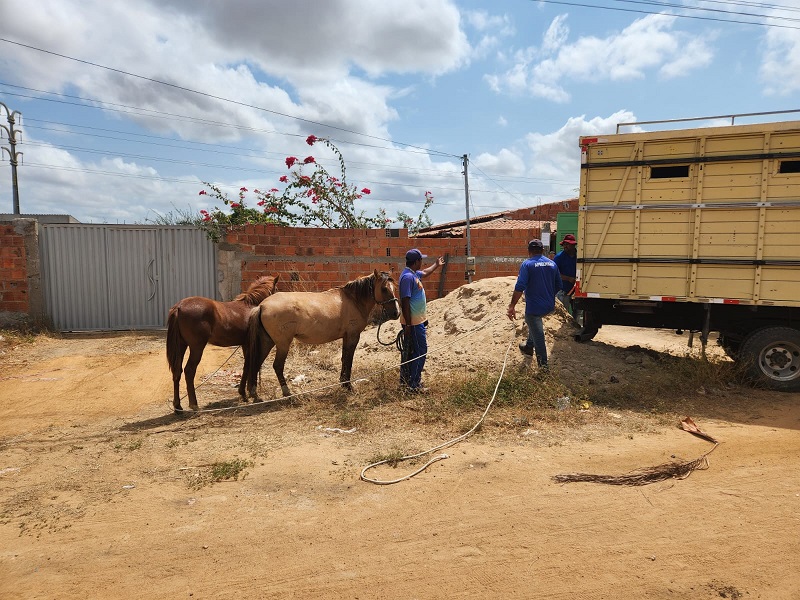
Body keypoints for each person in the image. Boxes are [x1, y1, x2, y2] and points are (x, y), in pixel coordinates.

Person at [506, 239, 562, 369]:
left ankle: (543, 368)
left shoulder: (527, 264)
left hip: (534, 308)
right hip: (549, 306)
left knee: (538, 334)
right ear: (542, 250)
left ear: (529, 252)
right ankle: (528, 346)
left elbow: (520, 286)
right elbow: (559, 285)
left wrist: (512, 306)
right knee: (534, 324)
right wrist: (547, 295)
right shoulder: (552, 264)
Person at [399, 248, 445, 392]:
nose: (422, 263)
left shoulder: (413, 274)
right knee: (420, 351)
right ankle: (413, 385)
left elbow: (425, 272)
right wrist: (407, 323)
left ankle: (407, 381)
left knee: (413, 352)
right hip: (413, 323)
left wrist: (436, 264)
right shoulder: (407, 277)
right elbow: (405, 301)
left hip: (416, 321)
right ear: (416, 261)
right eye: (421, 260)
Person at [553, 233, 578, 315]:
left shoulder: (579, 256)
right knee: (564, 313)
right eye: (564, 244)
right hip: (563, 290)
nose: (565, 246)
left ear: (573, 245)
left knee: (577, 313)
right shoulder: (559, 257)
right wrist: (569, 279)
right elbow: (555, 273)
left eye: (568, 244)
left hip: (577, 290)